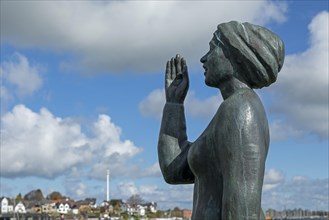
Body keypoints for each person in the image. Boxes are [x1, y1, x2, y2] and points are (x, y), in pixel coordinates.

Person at [158, 21, 284, 220]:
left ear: (237, 56)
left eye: (212, 48)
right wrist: (174, 104)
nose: (204, 58)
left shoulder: (241, 109)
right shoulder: (228, 111)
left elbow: (242, 213)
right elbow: (174, 171)